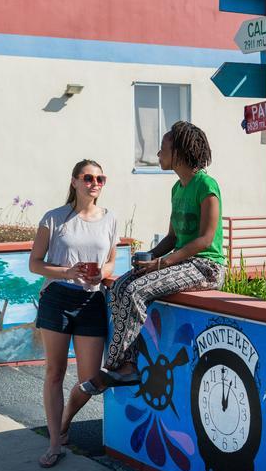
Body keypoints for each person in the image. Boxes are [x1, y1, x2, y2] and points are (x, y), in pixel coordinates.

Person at [80, 121, 226, 395]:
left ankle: (120, 366)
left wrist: (161, 263)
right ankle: (122, 364)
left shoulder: (206, 185)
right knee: (122, 285)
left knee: (136, 290)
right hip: (182, 262)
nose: (158, 154)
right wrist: (149, 257)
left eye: (163, 149)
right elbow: (172, 238)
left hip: (207, 266)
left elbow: (205, 239)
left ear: (180, 152)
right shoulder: (177, 189)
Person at [29, 159, 118, 468]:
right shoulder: (54, 219)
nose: (95, 183)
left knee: (92, 380)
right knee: (55, 372)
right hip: (57, 298)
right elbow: (35, 264)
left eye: (100, 179)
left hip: (92, 301)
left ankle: (65, 420)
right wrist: (67, 272)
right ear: (75, 181)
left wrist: (101, 275)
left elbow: (110, 263)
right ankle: (55, 443)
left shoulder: (109, 219)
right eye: (88, 177)